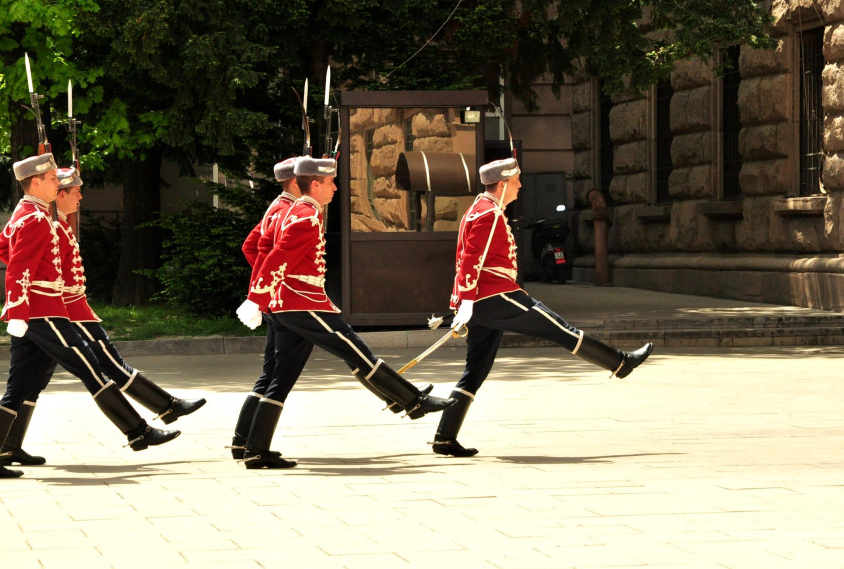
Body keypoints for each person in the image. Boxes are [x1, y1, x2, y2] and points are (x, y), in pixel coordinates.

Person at [236, 155, 455, 469]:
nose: (336, 188)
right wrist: (257, 297)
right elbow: (278, 256)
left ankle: (254, 449)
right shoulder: (304, 215)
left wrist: (264, 294)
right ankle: (412, 401)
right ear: (314, 183)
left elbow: (263, 250)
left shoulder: (295, 210)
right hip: (303, 302)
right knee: (355, 350)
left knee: (280, 377)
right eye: (330, 182)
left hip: (293, 302)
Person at [432, 158, 654, 458]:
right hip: (496, 296)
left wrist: (461, 302)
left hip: (483, 300)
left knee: (475, 370)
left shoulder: (479, 209)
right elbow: (470, 259)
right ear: (503, 184)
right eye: (517, 181)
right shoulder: (490, 215)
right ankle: (620, 363)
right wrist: (467, 303)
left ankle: (445, 438)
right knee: (561, 329)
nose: (521, 186)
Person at [0, 154, 179, 479]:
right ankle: (137, 431)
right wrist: (22, 307)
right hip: (43, 312)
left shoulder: (26, 213)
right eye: (52, 178)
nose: (58, 183)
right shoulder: (35, 218)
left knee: (22, 386)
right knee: (90, 367)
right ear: (35, 182)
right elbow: (18, 267)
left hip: (40, 310)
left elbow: (1, 249)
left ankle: (7, 448)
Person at [230, 157, 303, 459]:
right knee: (281, 375)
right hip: (287, 300)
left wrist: (265, 280)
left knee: (270, 372)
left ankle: (241, 440)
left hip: (272, 300)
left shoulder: (275, 208)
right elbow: (260, 250)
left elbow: (251, 247)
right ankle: (256, 448)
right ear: (297, 182)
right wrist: (275, 279)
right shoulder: (289, 211)